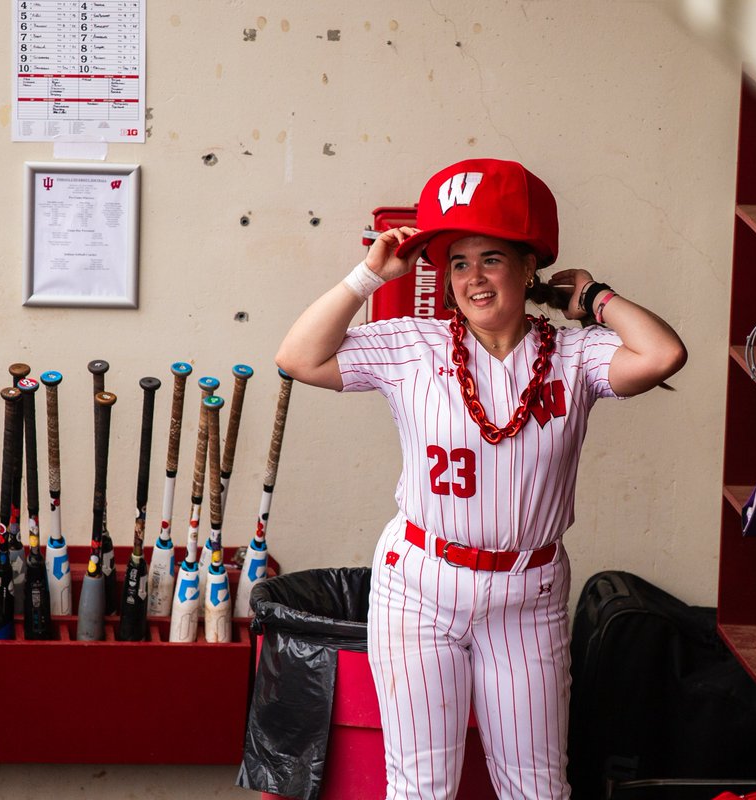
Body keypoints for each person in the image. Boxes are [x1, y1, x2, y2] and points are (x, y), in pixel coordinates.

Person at [276, 158, 686, 800]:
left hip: (527, 595)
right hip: (419, 588)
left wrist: (596, 300)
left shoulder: (575, 355)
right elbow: (298, 357)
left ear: (528, 267)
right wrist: (367, 276)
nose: (473, 278)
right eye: (458, 262)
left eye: (491, 258)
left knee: (538, 787)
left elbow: (663, 354)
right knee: (420, 787)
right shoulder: (413, 344)